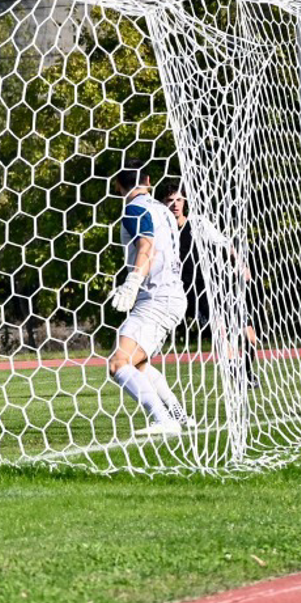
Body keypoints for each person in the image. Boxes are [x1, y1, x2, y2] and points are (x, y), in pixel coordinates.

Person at [106, 161, 193, 436]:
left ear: (118, 185)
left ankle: (162, 420)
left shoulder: (134, 208)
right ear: (148, 179)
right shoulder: (162, 210)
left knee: (119, 363)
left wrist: (131, 284)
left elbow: (146, 245)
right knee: (140, 364)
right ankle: (179, 416)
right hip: (170, 295)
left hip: (156, 297)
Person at [159, 184, 260, 387]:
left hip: (219, 286)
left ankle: (246, 371)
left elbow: (224, 243)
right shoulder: (163, 231)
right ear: (163, 203)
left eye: (178, 200)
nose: (175, 204)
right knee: (221, 333)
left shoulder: (198, 223)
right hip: (193, 293)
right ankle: (237, 376)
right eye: (170, 200)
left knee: (249, 336)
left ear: (185, 202)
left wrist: (241, 264)